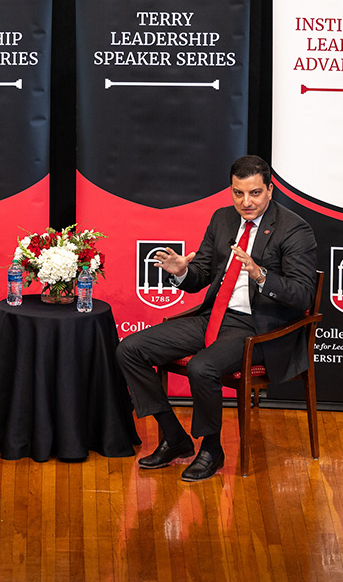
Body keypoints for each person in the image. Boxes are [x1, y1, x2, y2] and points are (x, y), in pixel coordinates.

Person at [116, 155, 317, 481]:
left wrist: (260, 274)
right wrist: (182, 272)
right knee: (130, 349)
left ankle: (211, 449)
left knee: (202, 367)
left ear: (269, 190)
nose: (246, 202)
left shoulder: (294, 228)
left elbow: (303, 295)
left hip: (258, 326)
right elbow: (202, 275)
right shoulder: (223, 219)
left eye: (254, 193)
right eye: (238, 193)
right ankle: (174, 437)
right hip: (214, 316)